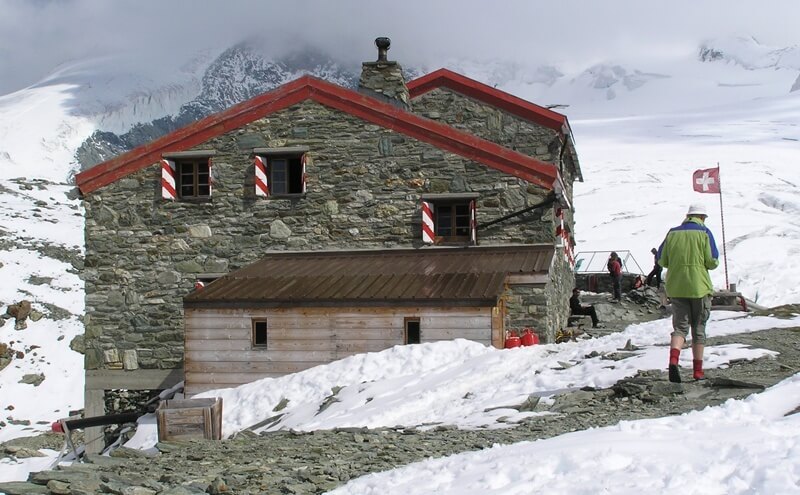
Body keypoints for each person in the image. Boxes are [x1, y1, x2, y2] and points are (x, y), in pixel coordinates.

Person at [657, 204, 719, 383]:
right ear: (702, 217)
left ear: (687, 216)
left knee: (680, 328)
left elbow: (662, 259)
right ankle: (698, 372)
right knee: (698, 328)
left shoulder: (672, 233)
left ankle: (674, 360)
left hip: (676, 287)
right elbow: (713, 261)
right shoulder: (705, 233)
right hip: (699, 287)